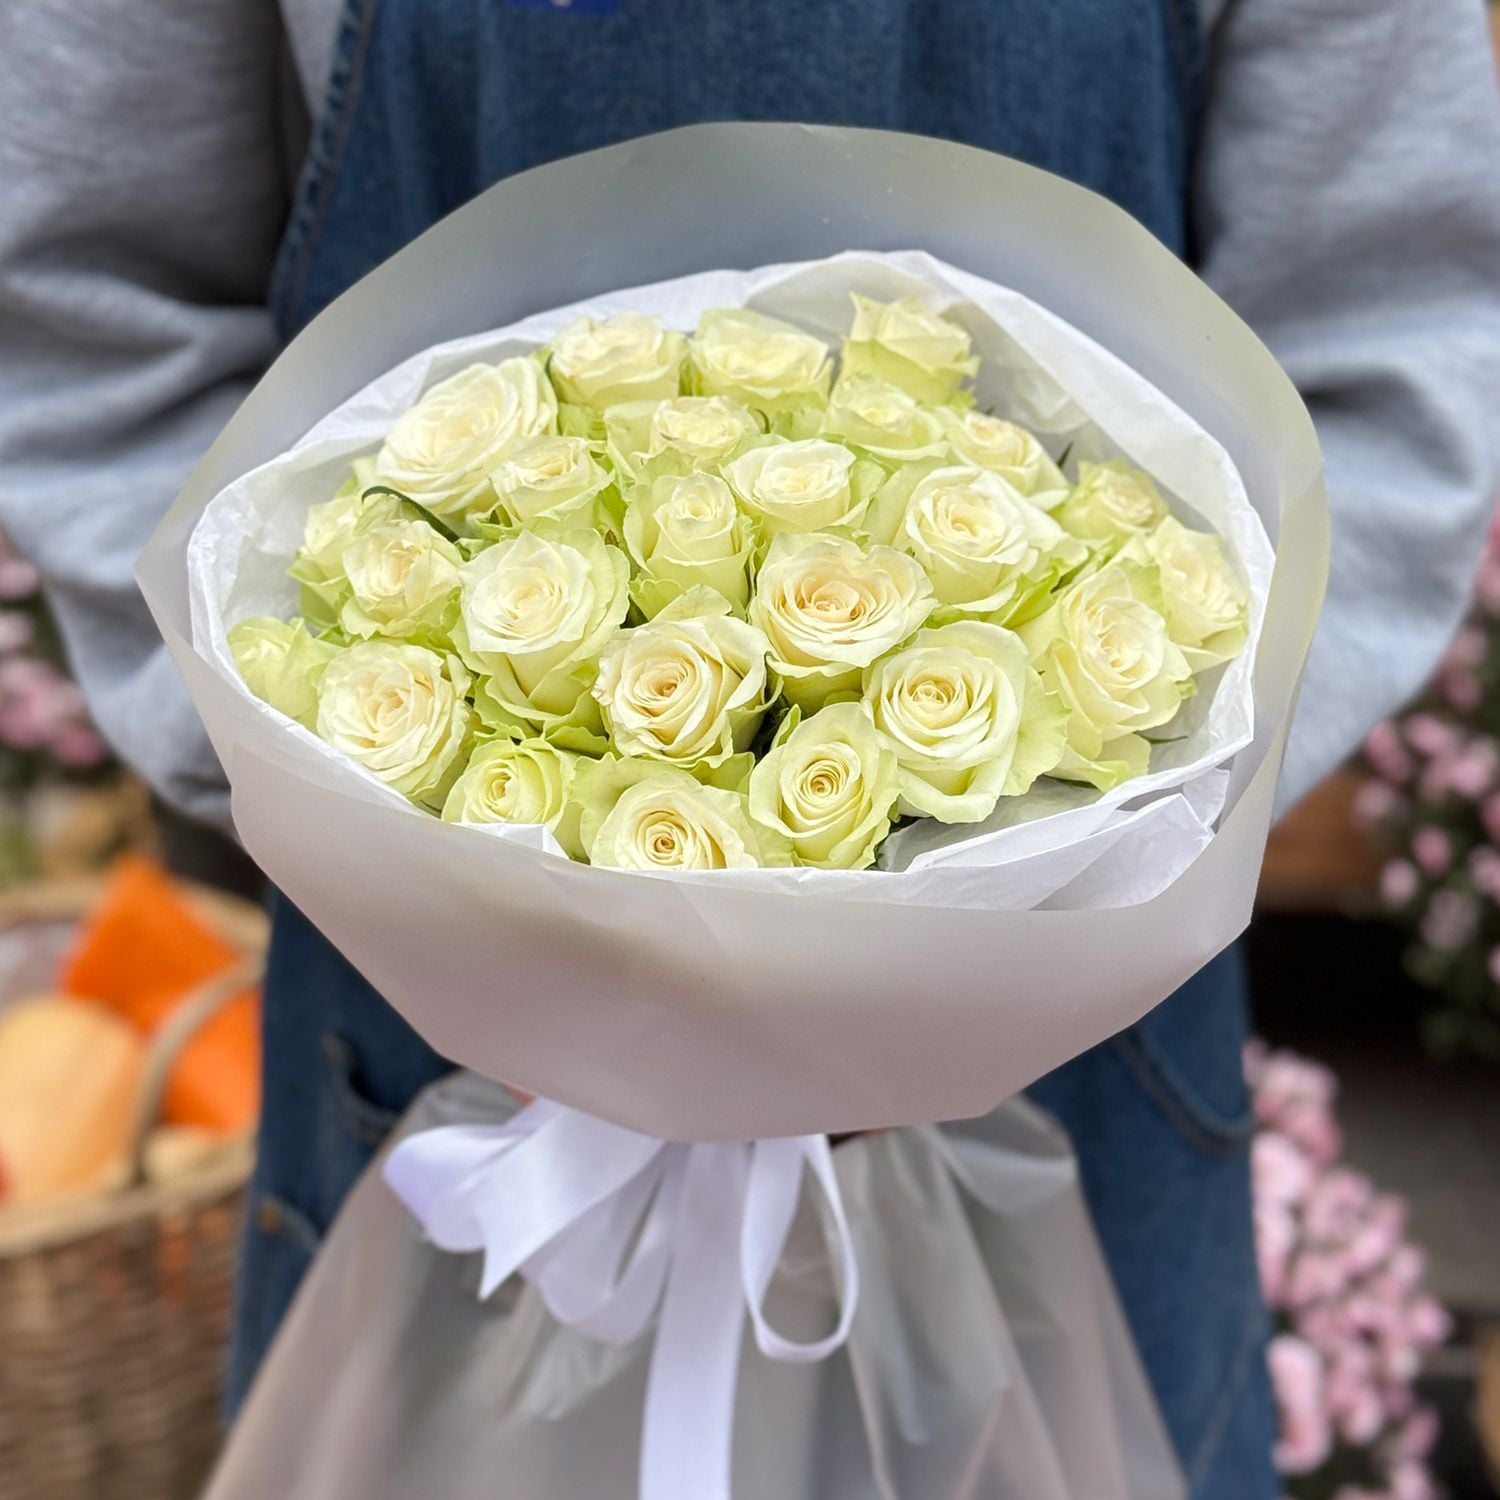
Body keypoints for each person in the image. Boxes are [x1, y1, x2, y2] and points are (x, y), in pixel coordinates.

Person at [4, 2, 1500, 1494]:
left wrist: (1105, 851)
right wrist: (346, 807)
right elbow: (92, 308)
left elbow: (1384, 335)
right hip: (441, 1061)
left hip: (1084, 1075)